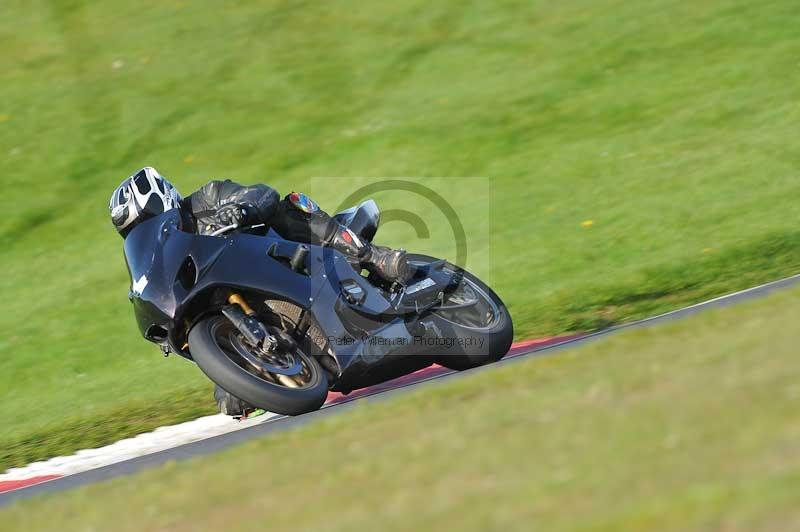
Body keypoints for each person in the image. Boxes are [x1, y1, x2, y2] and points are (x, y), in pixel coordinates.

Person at [109, 166, 410, 416]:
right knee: (230, 399)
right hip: (239, 301)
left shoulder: (206, 198)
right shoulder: (160, 257)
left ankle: (375, 256)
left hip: (285, 256)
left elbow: (262, 194)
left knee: (291, 204)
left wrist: (240, 210)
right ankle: (258, 364)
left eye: (148, 217)